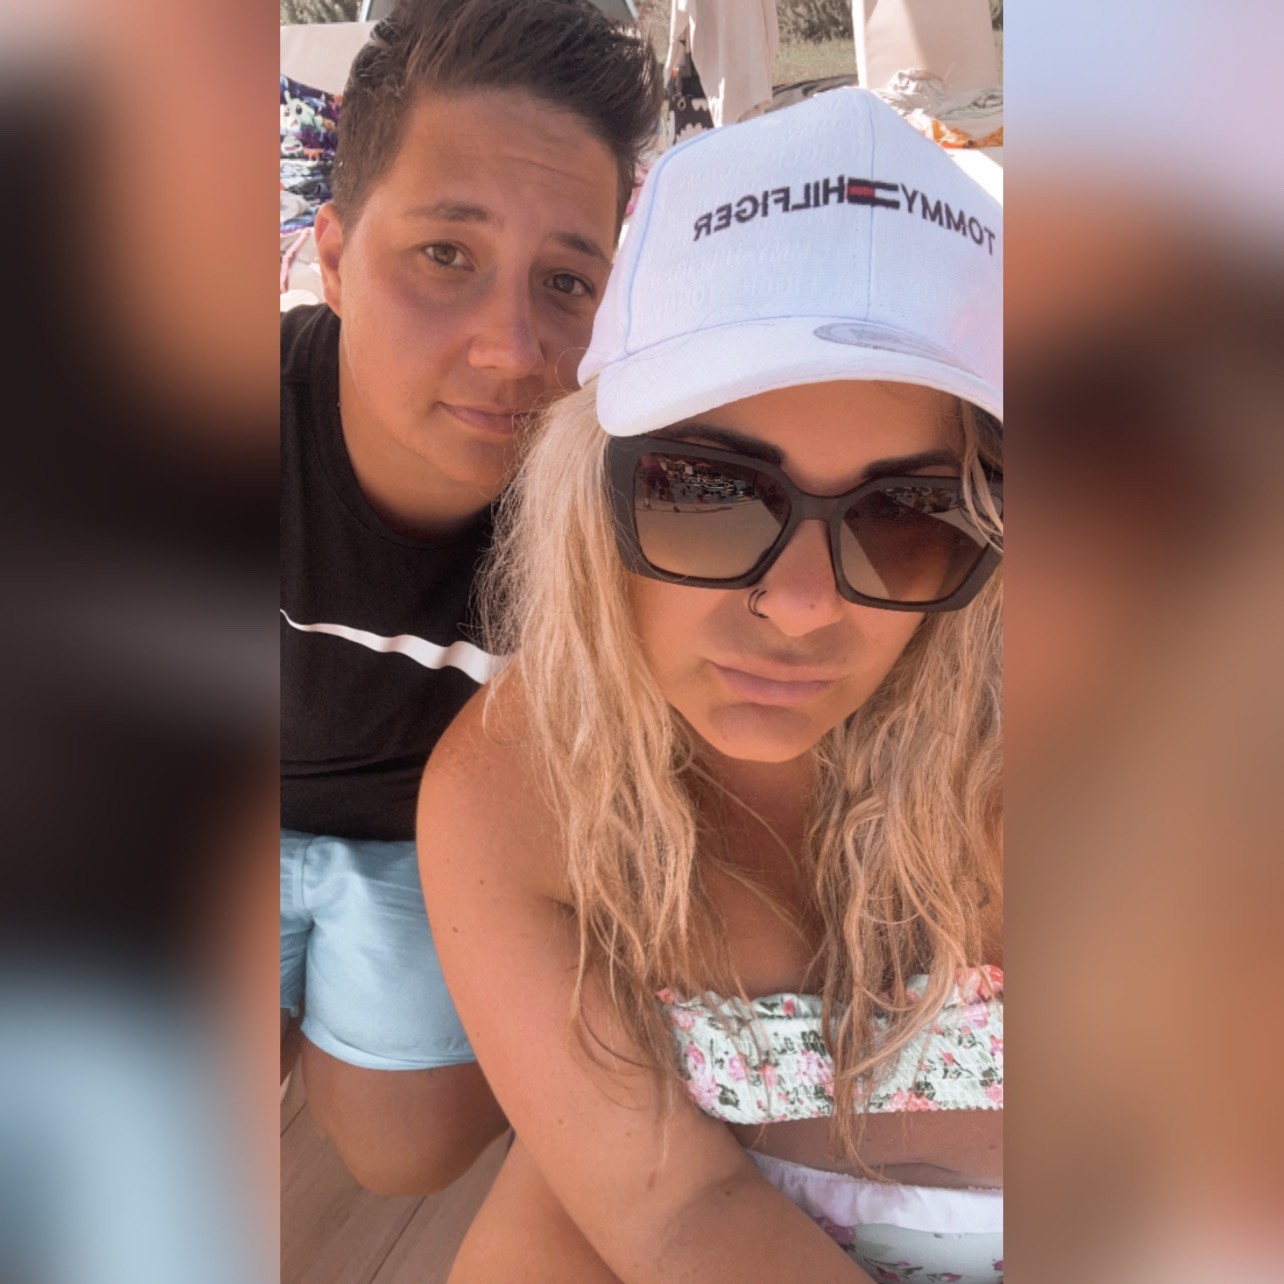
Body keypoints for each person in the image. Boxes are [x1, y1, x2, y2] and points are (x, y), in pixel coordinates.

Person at [420, 87, 1003, 1280]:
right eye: (708, 492)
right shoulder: (518, 786)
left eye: (907, 515)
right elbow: (674, 1205)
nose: (802, 604)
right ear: (589, 488)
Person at [280, 0, 661, 1196]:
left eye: (566, 281)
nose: (512, 348)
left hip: (430, 847)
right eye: (446, 254)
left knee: (406, 1157)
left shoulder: (620, 511)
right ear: (333, 259)